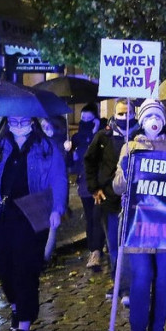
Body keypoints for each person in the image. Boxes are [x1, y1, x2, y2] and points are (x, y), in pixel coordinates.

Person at [0, 115, 68, 331]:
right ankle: (17, 308)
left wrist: (57, 209)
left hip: (33, 213)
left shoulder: (45, 145)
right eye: (14, 119)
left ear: (32, 119)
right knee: (4, 268)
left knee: (25, 269)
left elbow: (59, 179)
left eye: (23, 118)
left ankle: (23, 329)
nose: (18, 123)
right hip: (3, 216)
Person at [113, 100, 166, 331]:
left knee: (163, 277)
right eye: (149, 116)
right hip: (138, 223)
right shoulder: (130, 147)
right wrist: (126, 171)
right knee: (141, 277)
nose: (154, 121)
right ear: (142, 120)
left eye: (158, 116)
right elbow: (117, 187)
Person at [84, 99, 139, 300]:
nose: (124, 117)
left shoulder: (140, 137)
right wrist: (94, 188)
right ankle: (119, 284)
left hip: (135, 201)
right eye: (121, 114)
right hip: (110, 200)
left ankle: (131, 284)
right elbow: (89, 161)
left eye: (128, 113)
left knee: (131, 245)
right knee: (114, 246)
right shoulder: (103, 137)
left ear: (135, 114)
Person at [70, 103, 103, 270]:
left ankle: (97, 250)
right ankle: (94, 249)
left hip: (99, 183)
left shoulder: (102, 135)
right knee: (90, 218)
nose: (85, 121)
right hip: (84, 182)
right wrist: (70, 152)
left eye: (89, 119)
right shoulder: (76, 138)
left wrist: (96, 131)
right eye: (83, 118)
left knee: (98, 216)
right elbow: (72, 164)